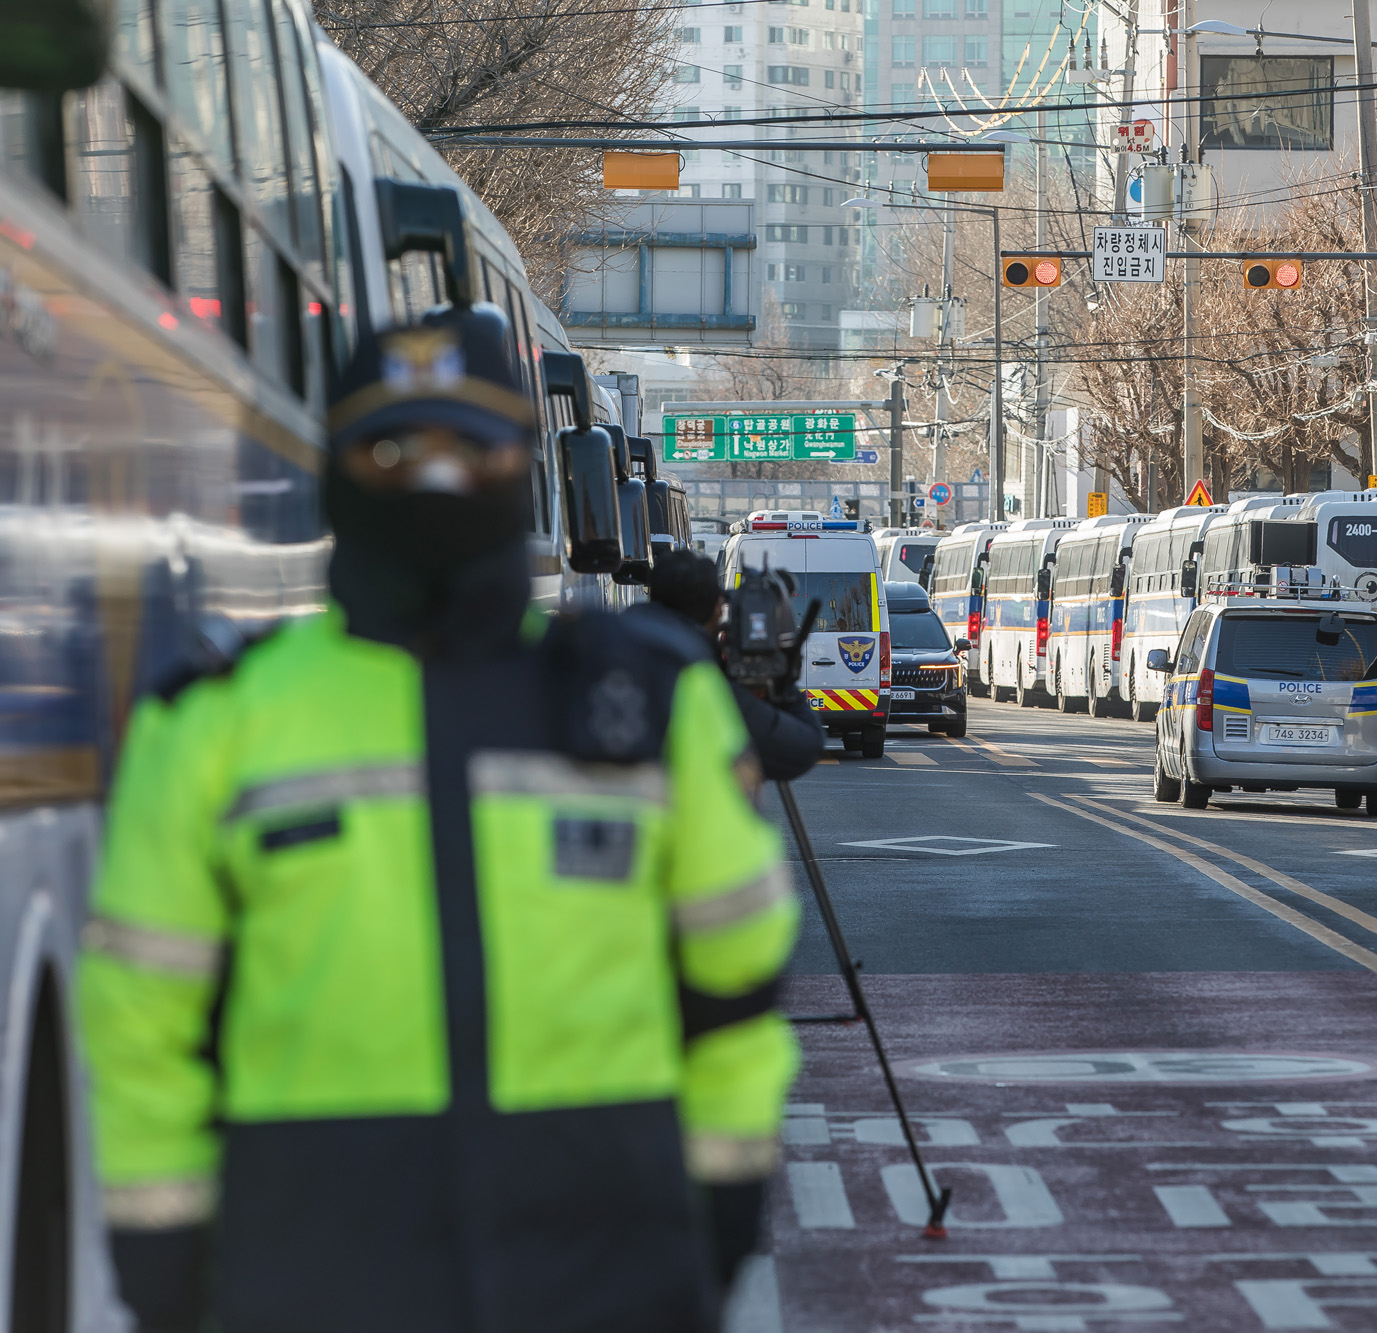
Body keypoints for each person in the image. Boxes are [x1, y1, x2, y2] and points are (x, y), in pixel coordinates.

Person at [78, 306, 797, 1333]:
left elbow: (735, 991)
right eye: (392, 446)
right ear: (334, 470)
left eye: (478, 444)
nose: (439, 475)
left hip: (607, 1275)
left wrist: (718, 1216)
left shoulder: (644, 700)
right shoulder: (216, 721)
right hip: (309, 1283)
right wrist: (164, 1259)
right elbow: (140, 1025)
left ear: (531, 467)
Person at [641, 548, 825, 784]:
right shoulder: (700, 682)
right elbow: (806, 745)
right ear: (717, 607)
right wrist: (782, 673)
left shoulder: (620, 643)